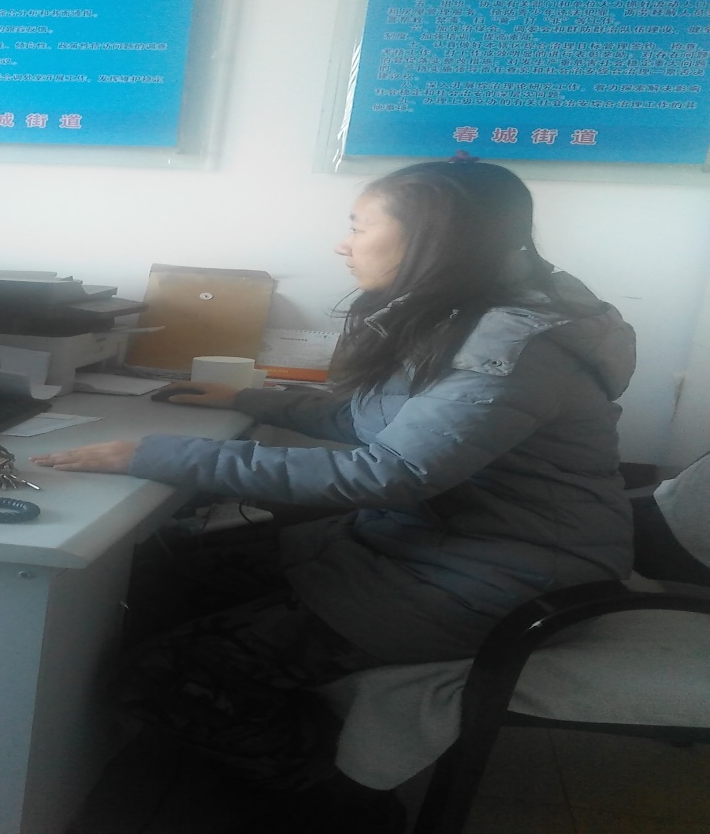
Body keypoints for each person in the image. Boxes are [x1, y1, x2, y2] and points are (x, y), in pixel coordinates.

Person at [32, 158, 637, 833]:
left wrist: (155, 454)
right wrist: (249, 399)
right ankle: (174, 749)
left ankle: (340, 795)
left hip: (500, 580)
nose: (342, 245)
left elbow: (387, 473)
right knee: (164, 575)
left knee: (167, 675)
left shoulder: (512, 349)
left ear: (434, 239)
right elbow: (375, 421)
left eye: (359, 226)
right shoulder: (463, 315)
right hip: (427, 547)